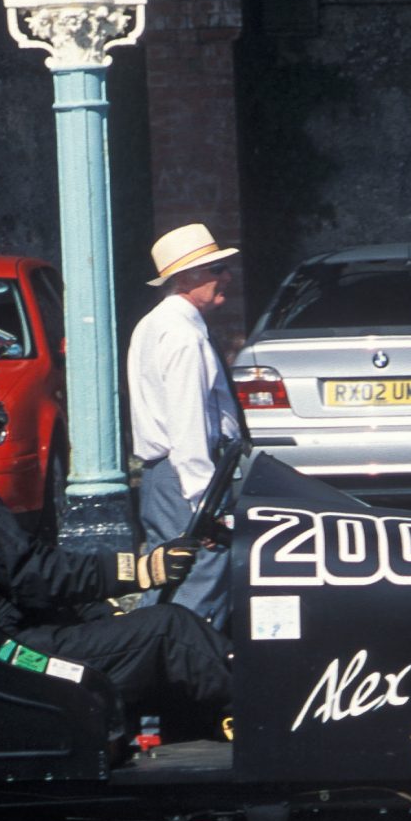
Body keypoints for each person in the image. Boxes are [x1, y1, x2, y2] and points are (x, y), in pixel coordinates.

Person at [0, 316, 231, 720]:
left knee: (136, 623)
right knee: (170, 630)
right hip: (11, 654)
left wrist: (96, 608)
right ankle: (272, 720)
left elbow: (15, 573)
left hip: (0, 638)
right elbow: (31, 574)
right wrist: (139, 570)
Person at [126, 223, 242, 630]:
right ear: (186, 277)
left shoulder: (156, 324)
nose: (226, 276)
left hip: (166, 479)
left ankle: (150, 668)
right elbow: (188, 421)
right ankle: (188, 677)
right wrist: (204, 505)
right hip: (187, 478)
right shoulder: (182, 336)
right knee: (200, 584)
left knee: (167, 580)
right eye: (216, 269)